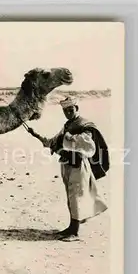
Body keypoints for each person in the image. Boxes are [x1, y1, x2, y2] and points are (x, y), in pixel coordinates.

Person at [26, 97, 109, 241]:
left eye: (71, 110)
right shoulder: (67, 125)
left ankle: (75, 232)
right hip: (66, 164)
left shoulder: (85, 125)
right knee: (71, 196)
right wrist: (36, 135)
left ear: (77, 108)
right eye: (65, 110)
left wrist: (65, 139)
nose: (68, 113)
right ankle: (71, 227)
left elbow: (87, 144)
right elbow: (53, 141)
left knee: (75, 196)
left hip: (79, 164)